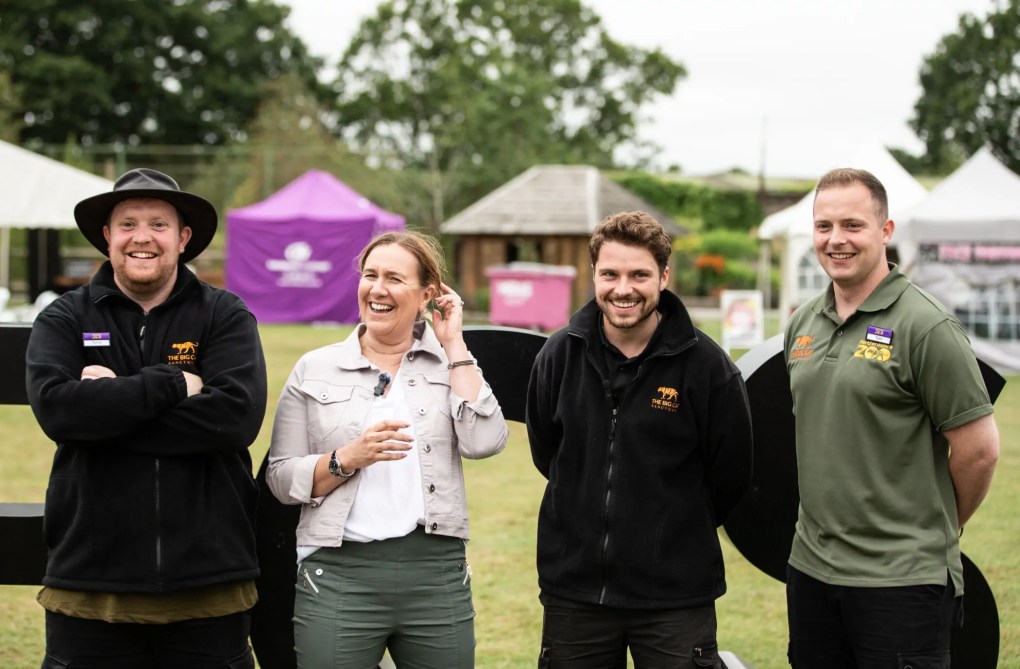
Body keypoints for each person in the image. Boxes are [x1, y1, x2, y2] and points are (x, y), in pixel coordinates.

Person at [26, 168, 269, 668]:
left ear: (183, 239)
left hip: (209, 582)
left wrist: (107, 409)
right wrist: (176, 384)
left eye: (159, 224)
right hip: (89, 584)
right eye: (128, 224)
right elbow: (58, 412)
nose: (143, 237)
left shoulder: (224, 315)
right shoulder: (64, 318)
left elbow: (236, 418)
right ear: (107, 236)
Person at [784, 168, 1000, 668]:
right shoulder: (804, 322)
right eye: (823, 226)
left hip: (902, 581)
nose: (836, 239)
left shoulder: (926, 325)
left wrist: (933, 530)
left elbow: (979, 451)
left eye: (853, 225)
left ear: (886, 231)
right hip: (812, 572)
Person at [266, 230, 508, 669]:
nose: (377, 289)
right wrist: (345, 459)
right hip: (339, 574)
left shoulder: (449, 363)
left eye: (395, 278)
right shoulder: (314, 368)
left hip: (436, 574)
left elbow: (485, 441)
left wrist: (454, 342)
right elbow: (280, 478)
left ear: (427, 294)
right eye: (370, 275)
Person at [526, 211, 753, 668]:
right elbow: (547, 452)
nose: (623, 289)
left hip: (675, 599)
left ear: (664, 277)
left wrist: (673, 532)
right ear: (594, 275)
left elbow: (731, 477)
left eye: (639, 275)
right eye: (609, 274)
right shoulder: (558, 355)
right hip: (576, 594)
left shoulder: (710, 369)